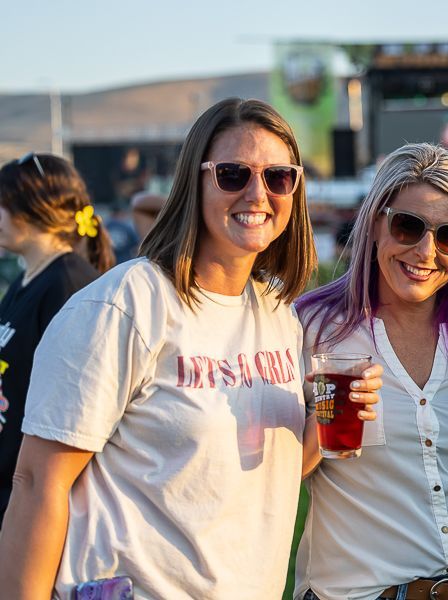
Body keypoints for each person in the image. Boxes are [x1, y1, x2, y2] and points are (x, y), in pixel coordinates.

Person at [0, 98, 382, 599]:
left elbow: (275, 474)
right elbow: (36, 483)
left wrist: (332, 423)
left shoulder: (276, 313)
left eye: (278, 178)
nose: (257, 193)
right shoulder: (126, 305)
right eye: (232, 174)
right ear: (193, 182)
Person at [294, 142, 448, 600]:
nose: (426, 251)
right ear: (376, 222)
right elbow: (266, 477)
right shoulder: (308, 327)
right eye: (408, 225)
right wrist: (326, 423)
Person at [0, 153, 114, 525]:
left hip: (38, 502)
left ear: (35, 210)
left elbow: (77, 416)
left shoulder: (67, 284)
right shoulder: (26, 279)